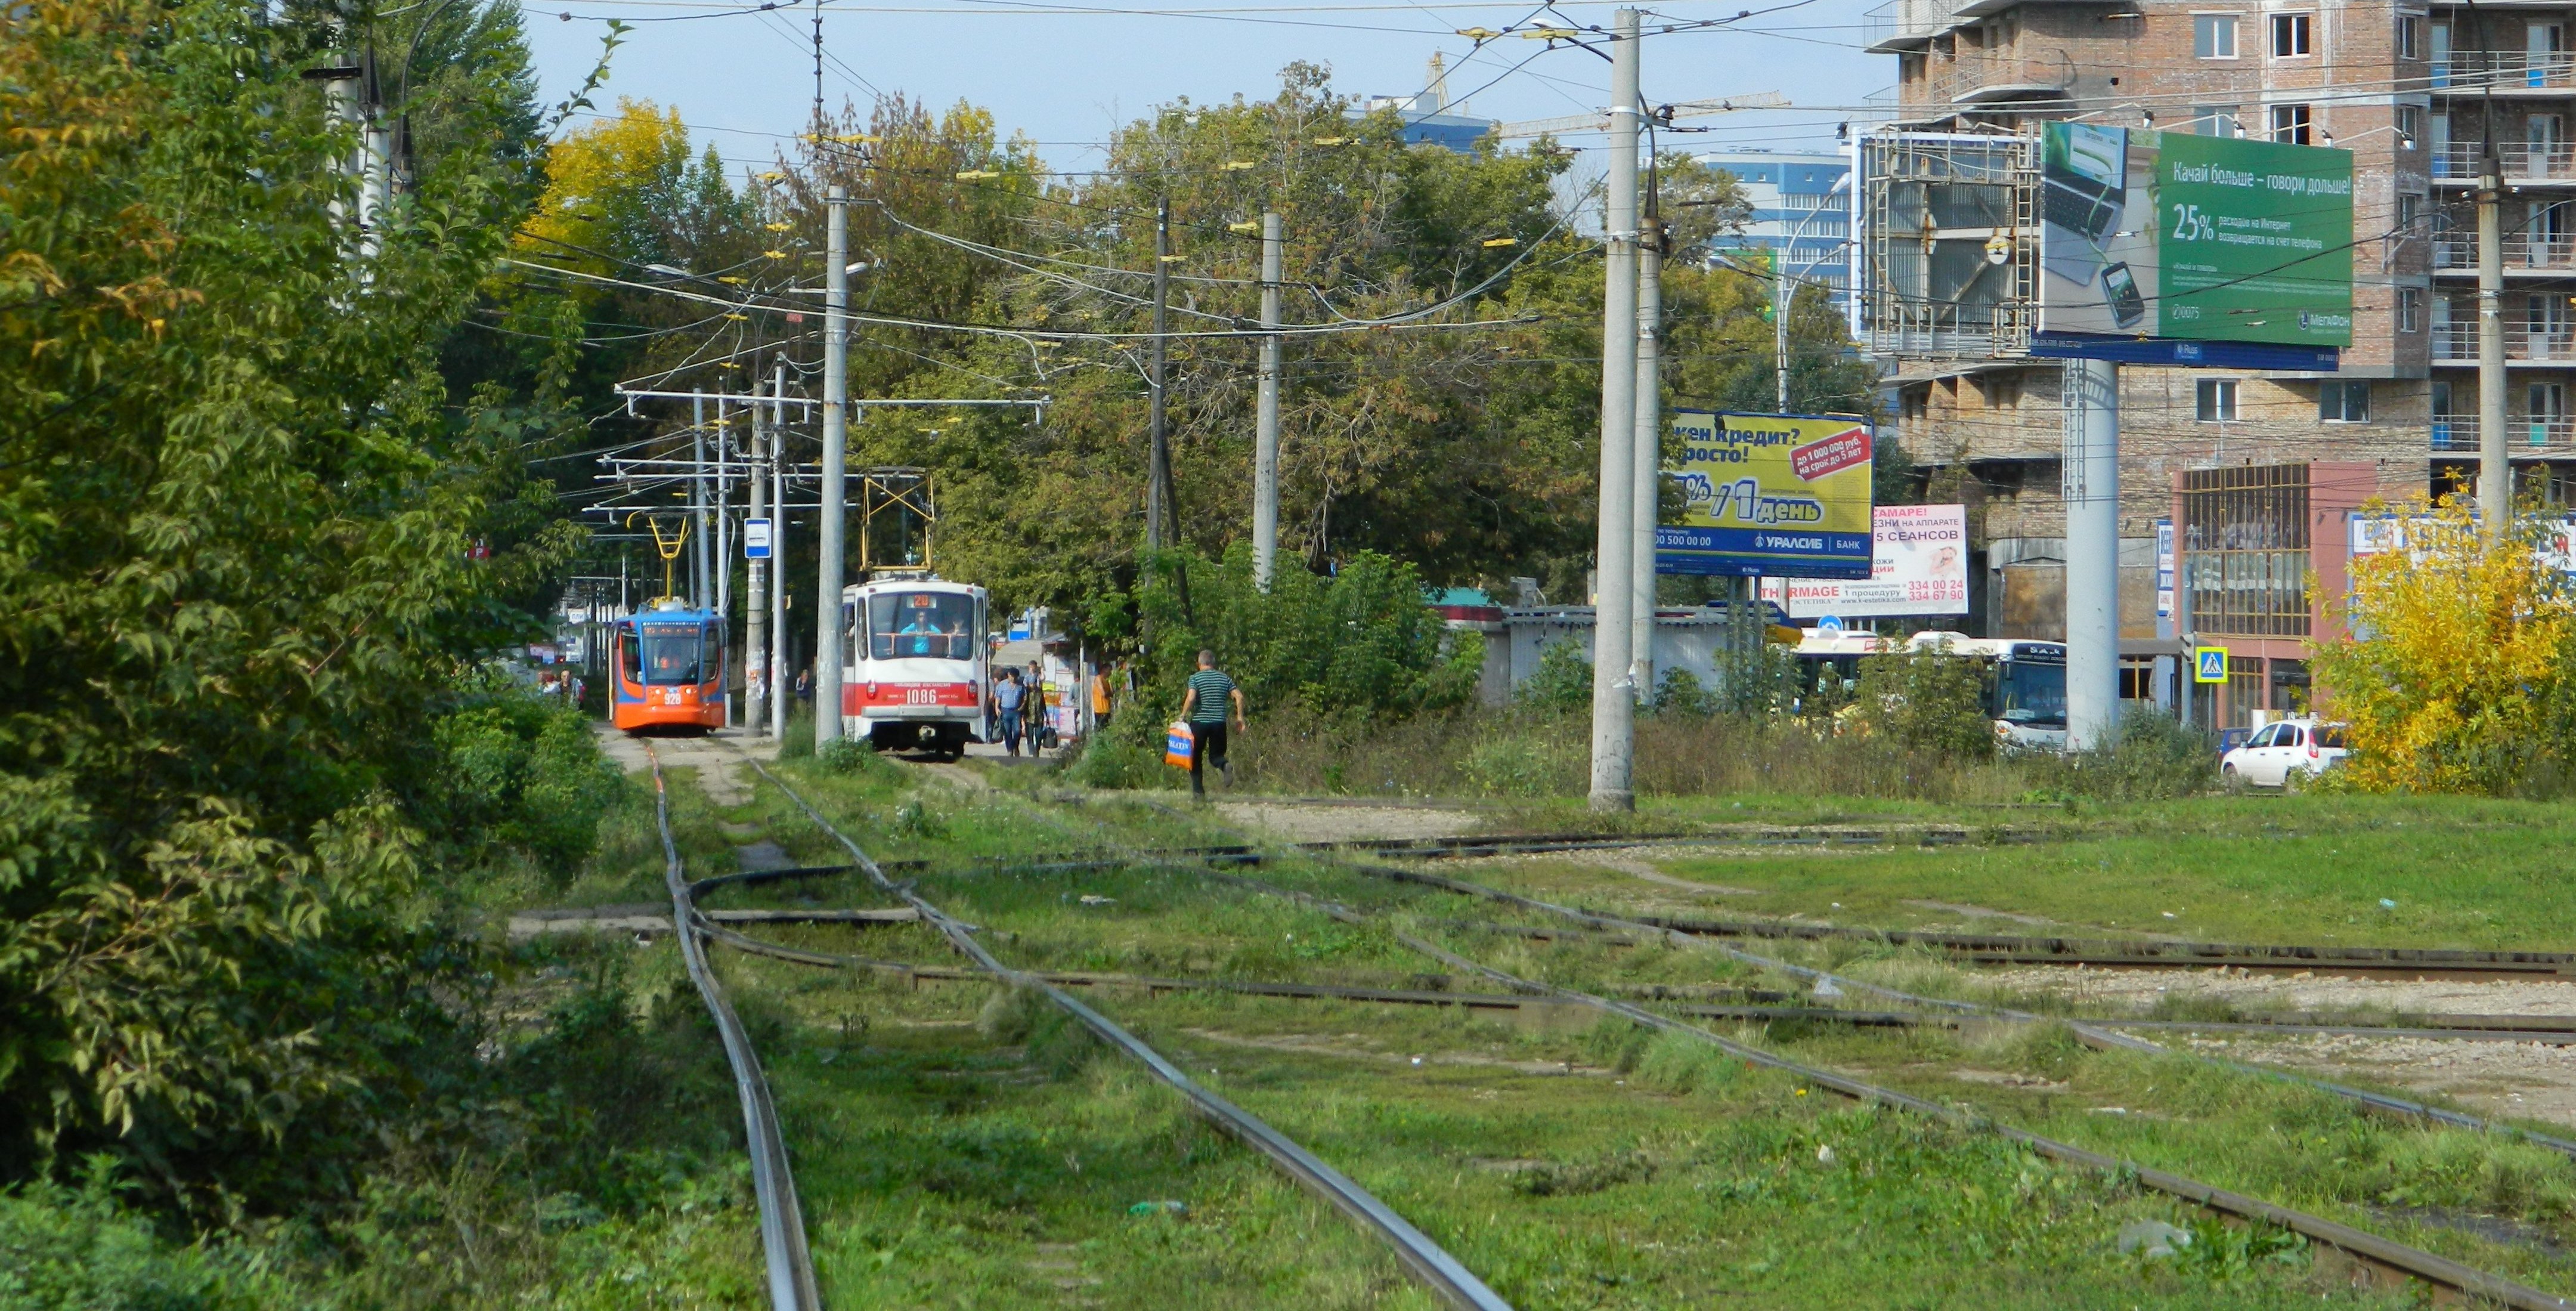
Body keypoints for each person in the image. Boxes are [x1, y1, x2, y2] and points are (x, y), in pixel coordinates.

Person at [1178, 649, 1245, 798]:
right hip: (1219, 724)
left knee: (1195, 757)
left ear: (1199, 663)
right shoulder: (1224, 678)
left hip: (1199, 723)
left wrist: (1182, 716)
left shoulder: (1195, 678)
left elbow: (1191, 698)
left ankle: (1198, 793)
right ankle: (1224, 765)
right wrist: (1240, 718)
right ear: (1213, 663)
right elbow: (1239, 697)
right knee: (1216, 756)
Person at [993, 667, 1027, 758]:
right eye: (1012, 676)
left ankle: (1015, 746)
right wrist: (997, 708)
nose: (1014, 678)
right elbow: (998, 697)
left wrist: (1022, 707)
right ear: (1008, 675)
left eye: (1016, 677)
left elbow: (1025, 698)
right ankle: (1009, 750)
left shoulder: (1021, 686)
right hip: (1005, 711)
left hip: (1016, 712)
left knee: (1017, 731)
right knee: (1007, 732)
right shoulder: (1002, 685)